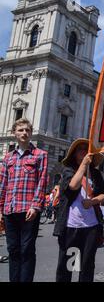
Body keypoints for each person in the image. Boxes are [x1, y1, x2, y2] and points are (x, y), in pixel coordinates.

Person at [53, 138, 104, 282]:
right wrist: (83, 166)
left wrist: (93, 201)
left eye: (86, 149)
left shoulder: (95, 174)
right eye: (80, 149)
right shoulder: (68, 170)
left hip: (91, 227)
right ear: (75, 154)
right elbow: (72, 186)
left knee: (87, 266)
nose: (84, 151)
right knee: (69, 266)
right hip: (71, 227)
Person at [0, 118, 48, 282]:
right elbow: (3, 185)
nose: (24, 133)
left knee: (27, 249)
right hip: (9, 209)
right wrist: (0, 210)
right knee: (13, 249)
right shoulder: (8, 158)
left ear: (30, 133)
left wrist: (35, 206)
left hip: (29, 210)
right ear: (14, 133)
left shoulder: (40, 155)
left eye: (27, 130)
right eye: (20, 130)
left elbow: (42, 182)